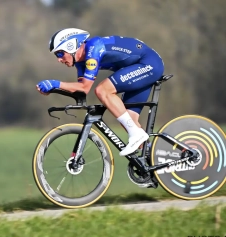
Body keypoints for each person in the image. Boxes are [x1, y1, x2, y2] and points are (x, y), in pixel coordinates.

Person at [36, 28, 164, 156]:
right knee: (128, 119)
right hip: (137, 67)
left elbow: (85, 87)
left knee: (103, 90)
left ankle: (137, 135)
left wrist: (55, 83)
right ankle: (156, 158)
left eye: (59, 54)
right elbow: (80, 89)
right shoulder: (80, 63)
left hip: (148, 64)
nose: (59, 59)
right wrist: (54, 89)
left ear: (71, 46)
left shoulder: (93, 48)